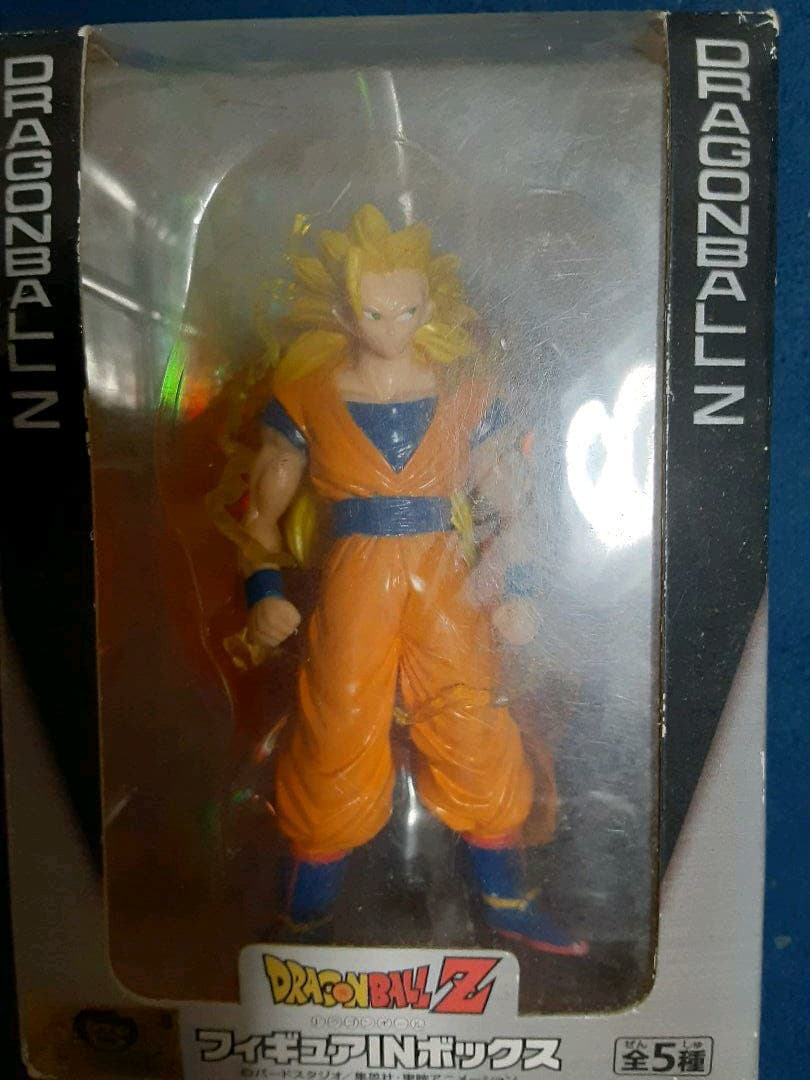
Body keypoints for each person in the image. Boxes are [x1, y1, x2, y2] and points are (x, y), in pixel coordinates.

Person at [239, 204, 586, 956]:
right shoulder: (306, 397)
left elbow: (513, 506)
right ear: (343, 312)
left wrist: (521, 587)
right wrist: (263, 592)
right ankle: (304, 919)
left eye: (408, 309)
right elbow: (257, 515)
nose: (393, 326)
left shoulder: (466, 393)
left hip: (444, 575)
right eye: (374, 311)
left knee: (473, 723)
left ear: (431, 306)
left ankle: (507, 900)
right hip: (355, 578)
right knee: (334, 733)